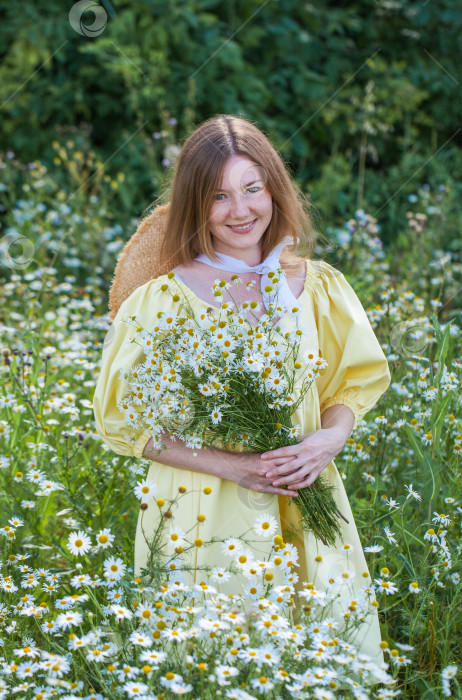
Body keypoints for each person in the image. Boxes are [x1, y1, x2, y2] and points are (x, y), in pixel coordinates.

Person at [93, 114, 391, 667]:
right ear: (193, 205)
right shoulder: (161, 301)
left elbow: (352, 381)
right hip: (200, 508)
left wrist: (328, 441)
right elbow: (125, 424)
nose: (241, 210)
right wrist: (235, 467)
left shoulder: (315, 284)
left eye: (253, 188)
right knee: (213, 659)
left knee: (319, 653)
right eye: (218, 196)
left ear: (273, 189)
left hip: (304, 492)